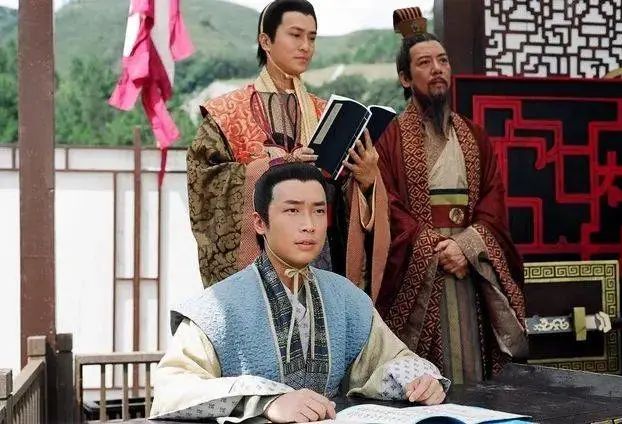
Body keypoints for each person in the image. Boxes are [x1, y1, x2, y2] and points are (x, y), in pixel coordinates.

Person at [150, 163, 448, 422]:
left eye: (318, 211)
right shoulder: (217, 307)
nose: (309, 225)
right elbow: (171, 389)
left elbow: (388, 358)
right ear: (260, 223)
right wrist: (266, 401)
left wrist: (418, 380)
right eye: (292, 210)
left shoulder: (345, 296)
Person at [187, 0, 389, 296]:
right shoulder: (226, 114)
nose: (306, 46)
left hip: (322, 254)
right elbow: (205, 186)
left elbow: (342, 199)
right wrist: (272, 167)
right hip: (261, 258)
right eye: (296, 35)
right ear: (265, 41)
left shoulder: (326, 113)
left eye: (312, 37)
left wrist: (367, 182)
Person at [375, 7, 528, 384]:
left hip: (469, 265)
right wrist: (434, 248)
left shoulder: (475, 136)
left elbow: (493, 204)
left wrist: (466, 247)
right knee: (427, 380)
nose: (437, 69)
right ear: (405, 78)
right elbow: (387, 206)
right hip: (424, 267)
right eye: (424, 63)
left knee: (472, 365)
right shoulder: (390, 139)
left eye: (443, 61)